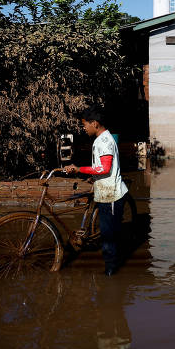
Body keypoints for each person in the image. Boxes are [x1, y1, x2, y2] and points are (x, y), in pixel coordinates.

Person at [64, 106, 129, 276]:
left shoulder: (105, 141)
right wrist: (92, 176)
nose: (84, 128)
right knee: (108, 232)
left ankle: (110, 273)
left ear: (95, 123)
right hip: (104, 191)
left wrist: (79, 169)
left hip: (111, 195)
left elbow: (105, 168)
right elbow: (100, 168)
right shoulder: (100, 139)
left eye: (85, 124)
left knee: (108, 237)